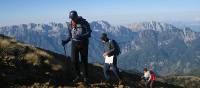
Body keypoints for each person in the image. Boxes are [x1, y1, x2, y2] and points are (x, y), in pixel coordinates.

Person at [62, 10, 92, 83]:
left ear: (77, 16)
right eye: (71, 18)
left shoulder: (84, 22)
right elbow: (70, 36)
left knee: (84, 61)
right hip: (74, 43)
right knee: (74, 61)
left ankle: (85, 77)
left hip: (83, 43)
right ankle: (78, 75)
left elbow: (89, 33)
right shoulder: (70, 25)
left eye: (73, 18)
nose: (72, 19)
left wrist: (81, 36)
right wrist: (65, 41)